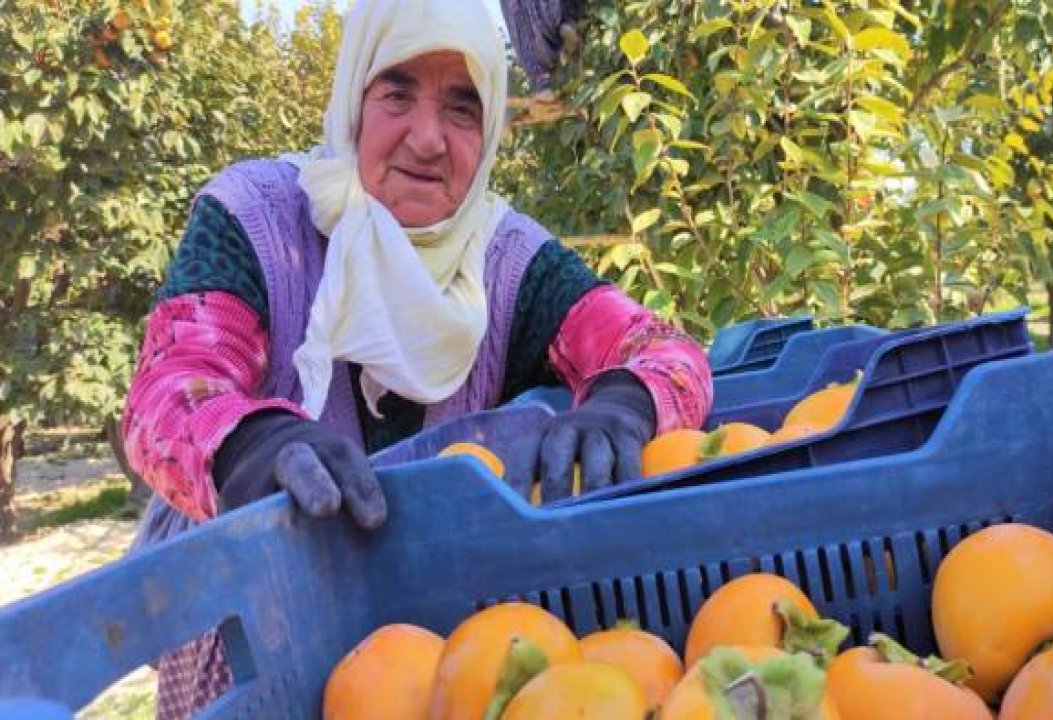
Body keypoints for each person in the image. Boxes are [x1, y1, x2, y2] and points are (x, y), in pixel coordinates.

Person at [121, 0, 712, 715]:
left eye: (463, 108)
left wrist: (626, 401)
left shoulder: (507, 263)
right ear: (353, 98)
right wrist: (249, 443)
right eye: (397, 94)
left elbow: (662, 348)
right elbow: (170, 387)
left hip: (434, 665)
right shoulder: (257, 218)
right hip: (250, 640)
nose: (429, 140)